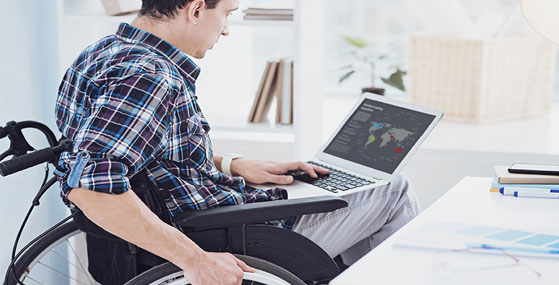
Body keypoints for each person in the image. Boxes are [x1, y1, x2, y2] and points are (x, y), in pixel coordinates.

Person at [54, 0, 420, 284]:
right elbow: (92, 188)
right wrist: (195, 260)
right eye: (227, 14)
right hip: (222, 233)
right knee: (393, 190)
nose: (226, 30)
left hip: (200, 214)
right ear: (196, 9)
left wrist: (232, 165)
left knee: (327, 191)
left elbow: (143, 155)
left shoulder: (99, 54)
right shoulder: (151, 76)